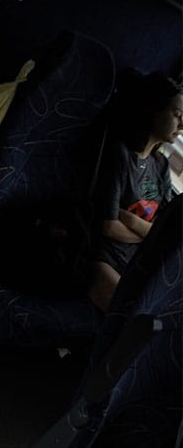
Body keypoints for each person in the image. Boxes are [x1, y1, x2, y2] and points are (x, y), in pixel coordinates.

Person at [87, 70, 183, 311]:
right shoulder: (120, 156)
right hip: (104, 258)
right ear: (154, 110)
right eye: (178, 114)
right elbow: (108, 226)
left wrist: (128, 218)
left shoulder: (160, 165)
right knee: (129, 319)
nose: (182, 124)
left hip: (136, 260)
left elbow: (161, 227)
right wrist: (148, 233)